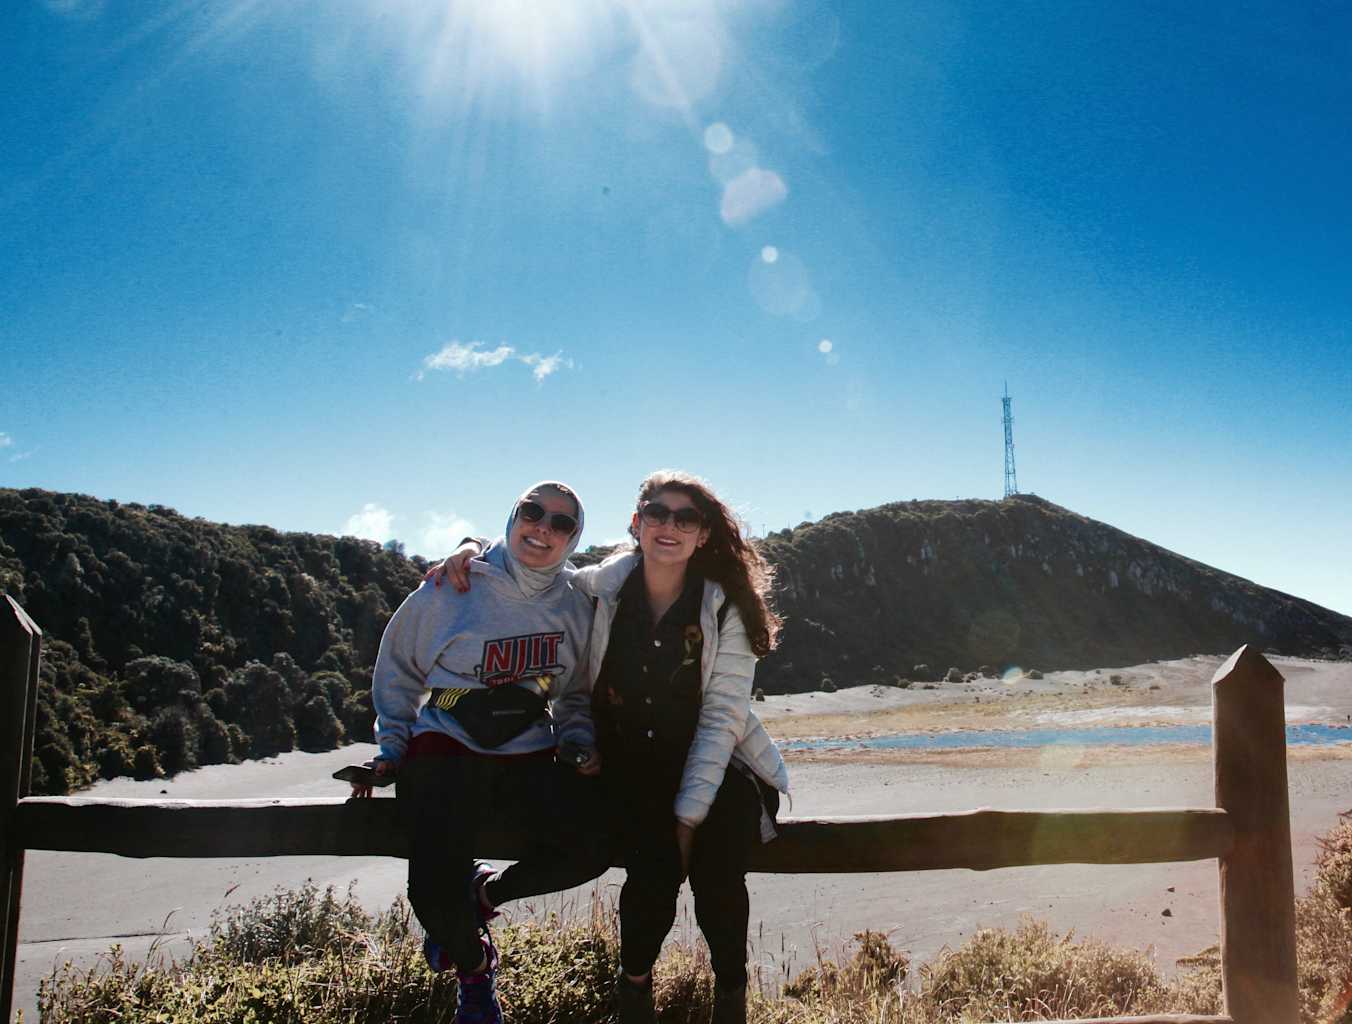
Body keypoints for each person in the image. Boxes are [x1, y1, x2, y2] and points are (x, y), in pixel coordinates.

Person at [438, 470, 789, 1024]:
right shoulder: (595, 592)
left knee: (718, 863)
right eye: (657, 514)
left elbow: (722, 719)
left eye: (686, 518)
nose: (669, 526)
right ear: (636, 523)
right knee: (653, 866)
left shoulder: (725, 607)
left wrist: (688, 818)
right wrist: (471, 547)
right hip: (628, 765)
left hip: (715, 763)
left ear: (702, 535)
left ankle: (730, 996)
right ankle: (635, 992)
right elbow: (533, 561)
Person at [355, 481, 607, 1024]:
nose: (543, 527)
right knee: (430, 891)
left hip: (530, 749)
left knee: (593, 846)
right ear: (512, 516)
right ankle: (474, 971)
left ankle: (485, 895)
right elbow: (397, 671)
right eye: (532, 512)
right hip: (445, 743)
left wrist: (578, 740)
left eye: (560, 523)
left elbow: (575, 694)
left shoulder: (576, 605)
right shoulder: (452, 587)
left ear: (573, 538)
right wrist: (392, 747)